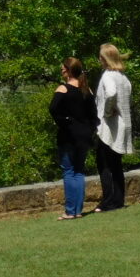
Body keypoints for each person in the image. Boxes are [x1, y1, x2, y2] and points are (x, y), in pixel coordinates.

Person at [49, 57, 97, 220]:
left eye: (63, 68)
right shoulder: (87, 90)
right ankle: (77, 210)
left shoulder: (63, 89)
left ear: (69, 70)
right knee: (79, 171)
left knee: (69, 171)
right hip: (84, 136)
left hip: (69, 135)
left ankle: (70, 211)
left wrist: (65, 121)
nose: (61, 70)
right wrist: (89, 129)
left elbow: (53, 109)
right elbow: (94, 115)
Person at [94, 43, 133, 212]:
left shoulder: (108, 76)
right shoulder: (123, 77)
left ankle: (108, 201)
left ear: (104, 58)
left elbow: (110, 93)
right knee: (116, 164)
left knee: (104, 164)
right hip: (123, 124)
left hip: (109, 126)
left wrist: (107, 111)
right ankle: (118, 199)